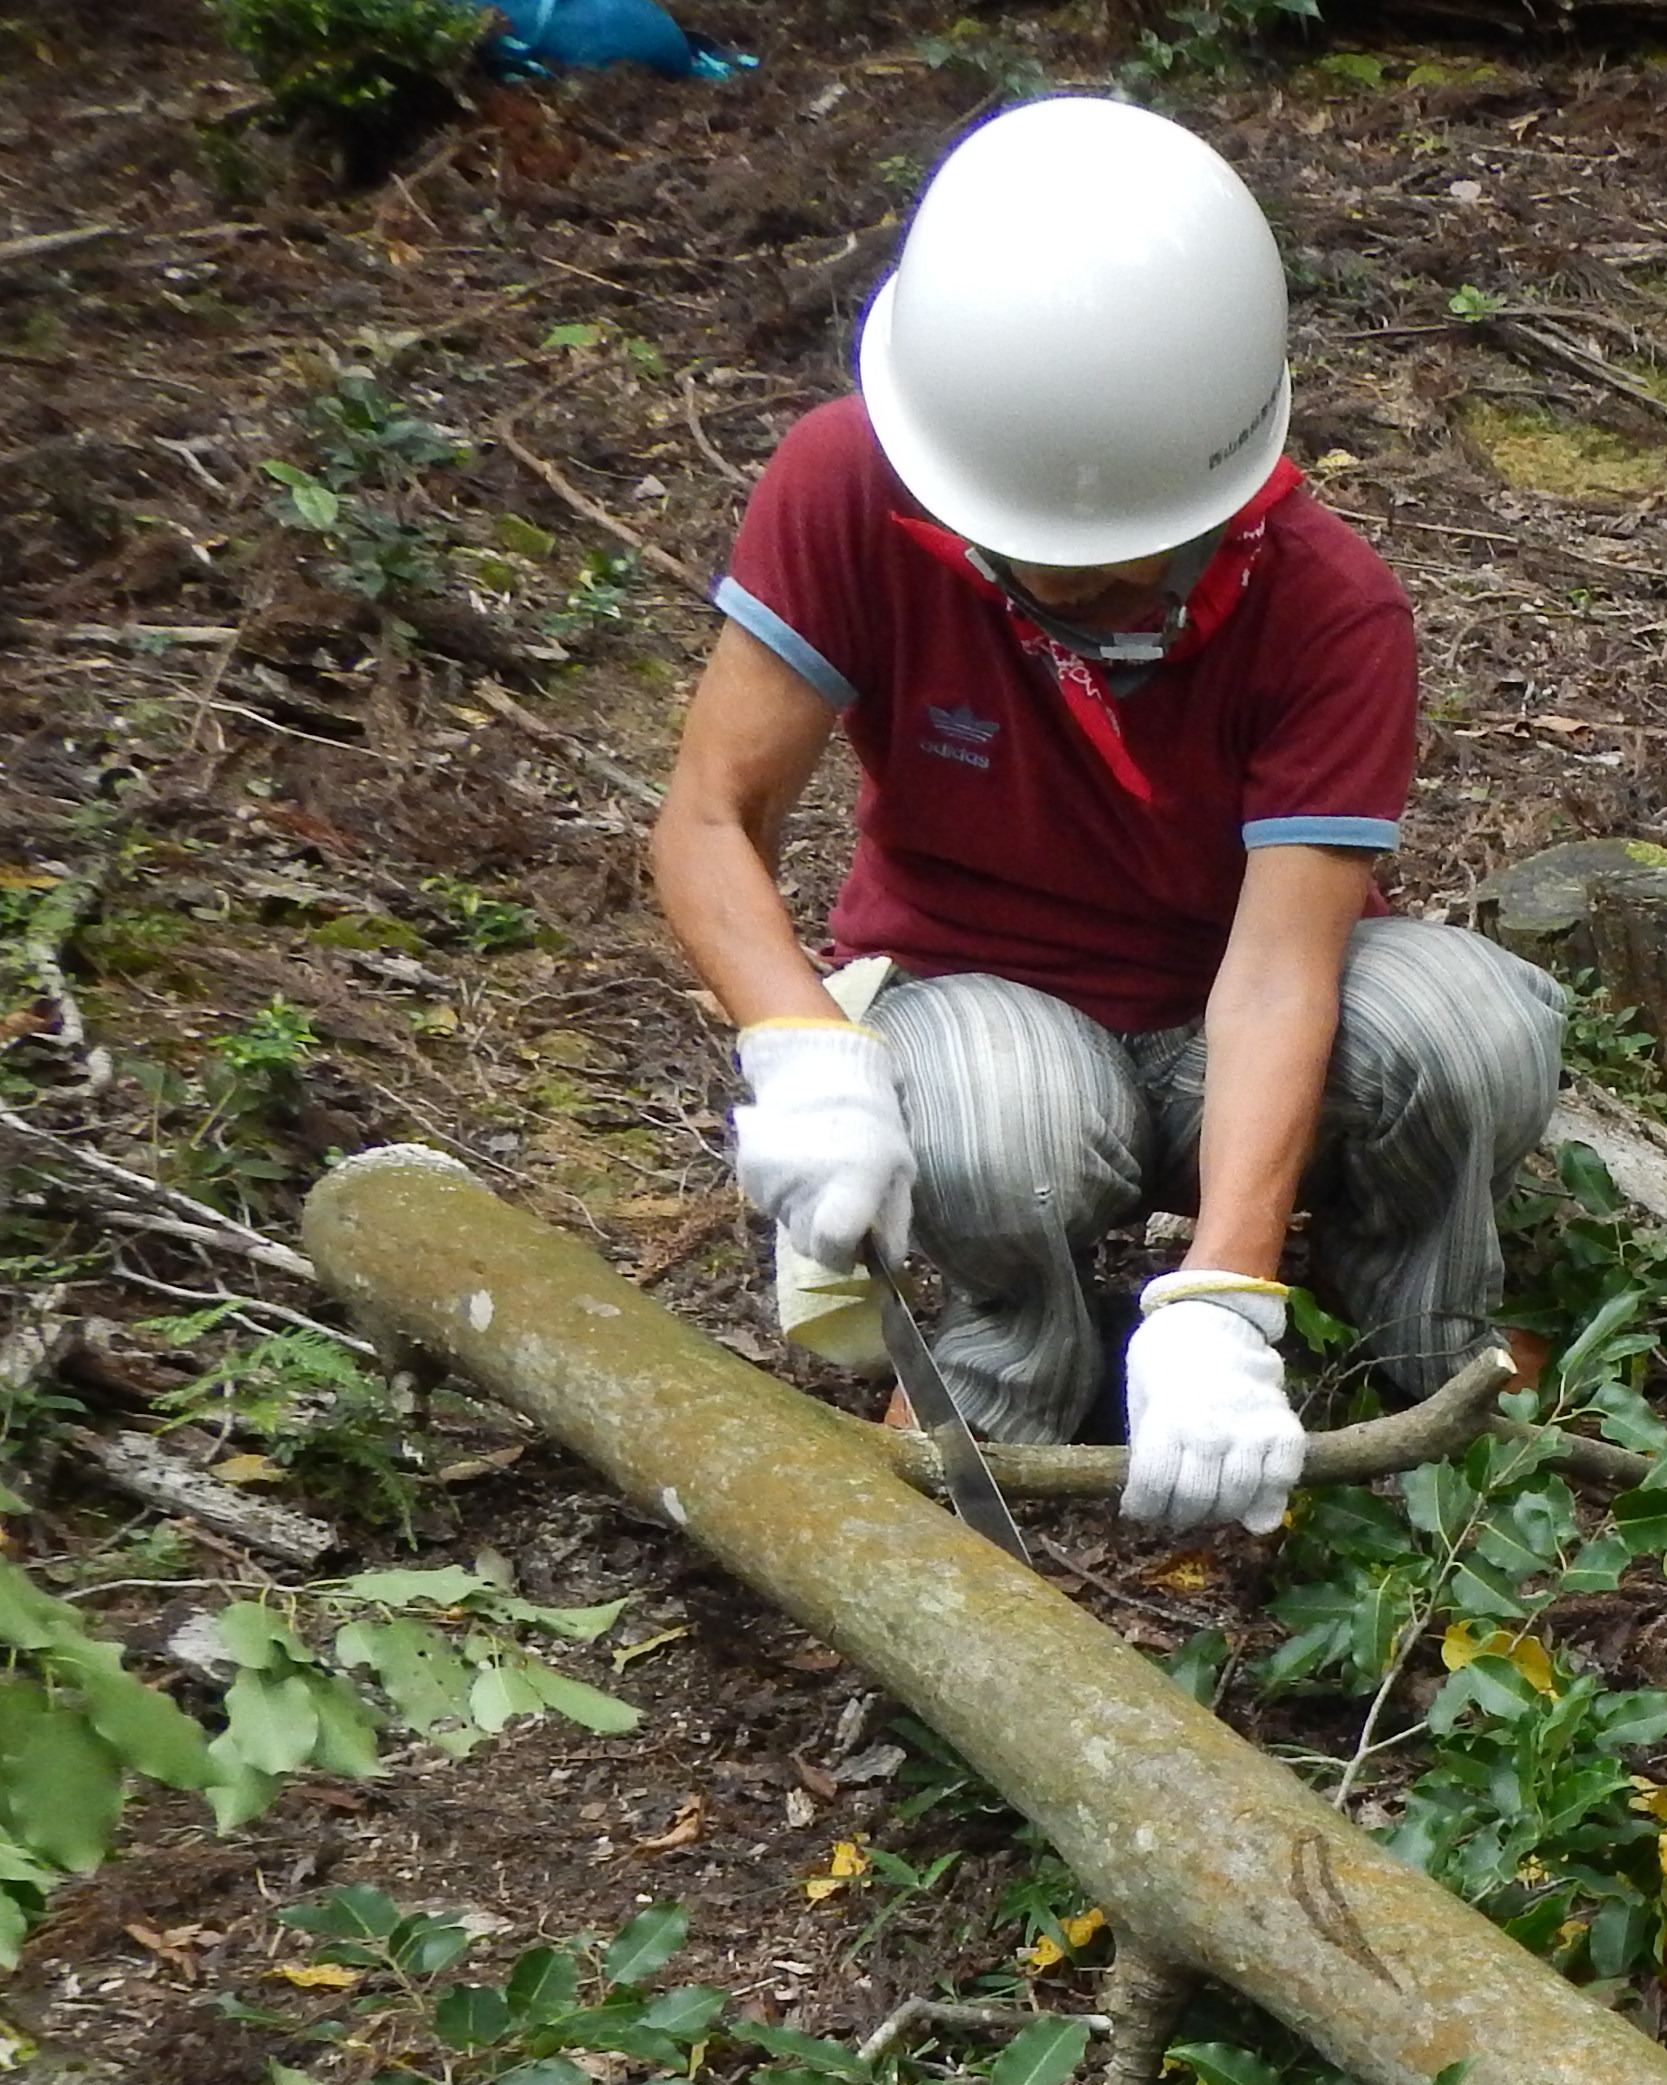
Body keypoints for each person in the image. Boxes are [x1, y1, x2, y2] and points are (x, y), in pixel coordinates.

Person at [650, 92, 1569, 1537]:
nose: (1042, 579)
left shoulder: (1332, 611)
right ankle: (1023, 1370)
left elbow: (1275, 978)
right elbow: (710, 817)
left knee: (1470, 1033)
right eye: (1006, 543)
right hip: (984, 991)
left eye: (1092, 560)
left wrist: (1222, 1303)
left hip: (1229, 1027)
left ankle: (1408, 1371)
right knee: (999, 1133)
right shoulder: (848, 482)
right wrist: (803, 1048)